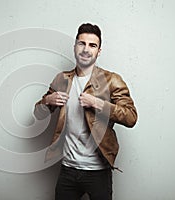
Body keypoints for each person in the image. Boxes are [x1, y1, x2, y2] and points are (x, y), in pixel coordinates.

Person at [34, 23, 137, 200]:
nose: (86, 49)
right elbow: (38, 114)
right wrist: (47, 101)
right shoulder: (62, 79)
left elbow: (131, 117)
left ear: (99, 51)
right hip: (68, 169)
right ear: (75, 46)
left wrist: (99, 104)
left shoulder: (111, 80)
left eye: (92, 45)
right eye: (82, 43)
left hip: (98, 171)